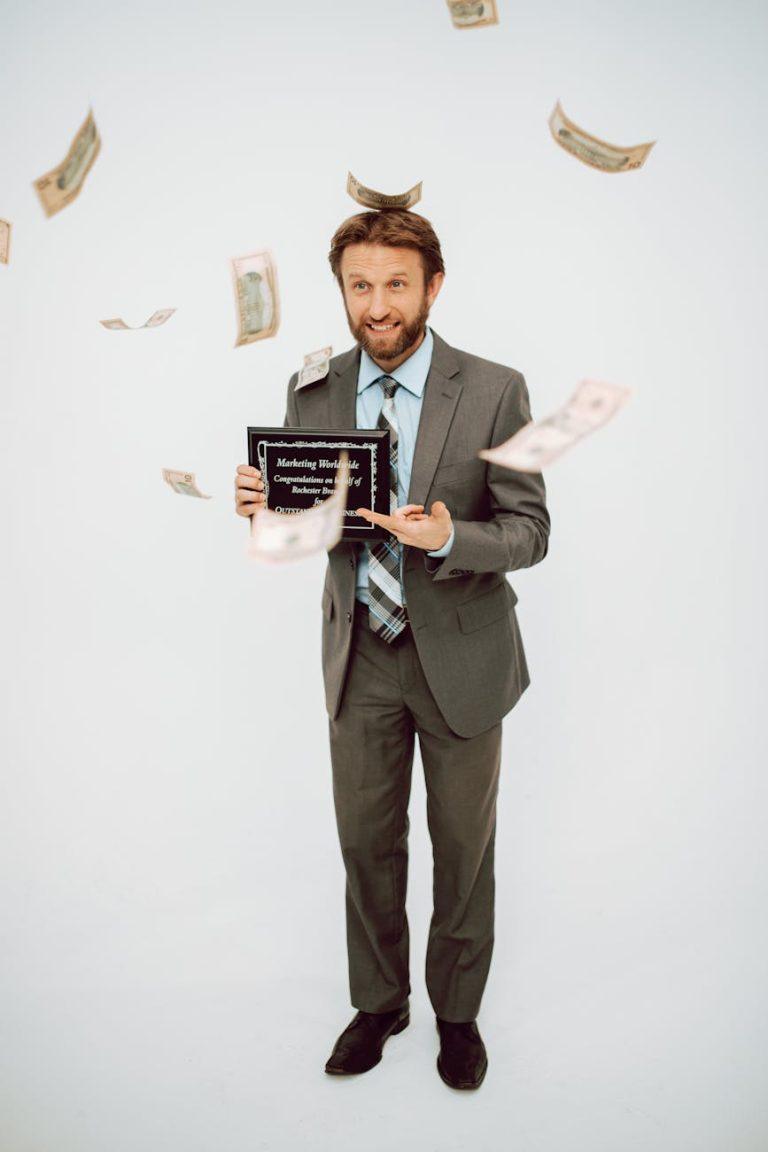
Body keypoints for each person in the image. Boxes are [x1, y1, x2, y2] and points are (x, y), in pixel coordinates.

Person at [234, 209, 550, 1090]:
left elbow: (531, 529)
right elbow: (300, 532)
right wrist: (263, 506)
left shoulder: (494, 388)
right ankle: (380, 1004)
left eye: (396, 285)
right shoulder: (311, 389)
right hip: (360, 655)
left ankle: (456, 1015)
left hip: (462, 652)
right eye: (360, 285)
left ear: (433, 288)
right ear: (342, 290)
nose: (378, 306)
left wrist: (452, 536)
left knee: (462, 845)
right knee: (366, 842)